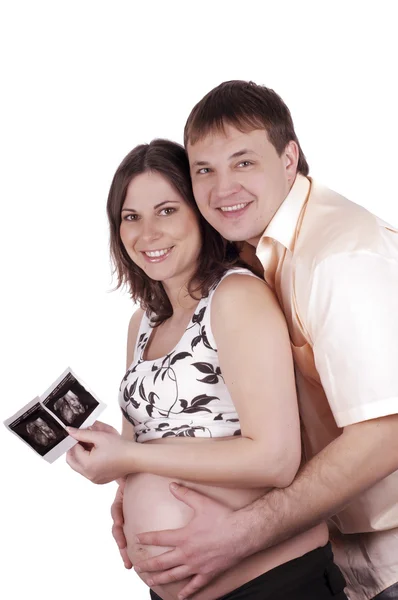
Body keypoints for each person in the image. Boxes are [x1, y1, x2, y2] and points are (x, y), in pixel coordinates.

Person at [125, 82, 398, 600]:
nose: (223, 187)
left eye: (244, 162)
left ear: (289, 157)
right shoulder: (255, 252)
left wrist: (242, 534)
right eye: (205, 169)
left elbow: (388, 434)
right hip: (340, 546)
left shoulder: (340, 257)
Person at [65, 139, 347, 600]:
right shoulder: (142, 323)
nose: (147, 233)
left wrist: (131, 460)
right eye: (130, 217)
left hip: (273, 584)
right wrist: (124, 486)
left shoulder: (235, 298)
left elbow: (274, 460)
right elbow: (152, 443)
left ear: (199, 212)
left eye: (167, 211)